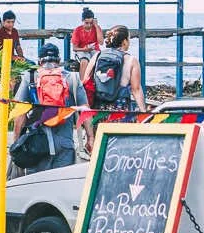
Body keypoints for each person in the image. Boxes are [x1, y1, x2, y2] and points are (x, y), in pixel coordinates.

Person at [12, 43, 87, 174]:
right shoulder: (73, 78)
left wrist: (17, 141)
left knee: (36, 187)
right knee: (62, 186)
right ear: (58, 60)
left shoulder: (30, 78)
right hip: (65, 144)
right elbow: (85, 111)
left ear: (39, 61)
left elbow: (20, 114)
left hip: (37, 145)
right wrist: (90, 137)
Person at [81, 24, 146, 113]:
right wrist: (143, 111)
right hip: (121, 109)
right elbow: (136, 89)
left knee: (100, 127)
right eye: (129, 39)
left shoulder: (97, 55)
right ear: (124, 41)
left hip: (99, 108)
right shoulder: (131, 60)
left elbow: (86, 80)